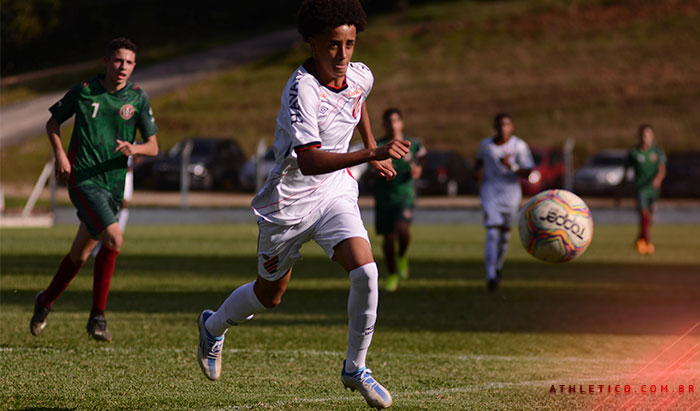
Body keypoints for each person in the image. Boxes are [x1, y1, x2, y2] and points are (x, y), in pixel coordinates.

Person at [196, 1, 409, 409]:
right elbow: (309, 161)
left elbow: (359, 99)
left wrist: (369, 144)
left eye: (349, 44)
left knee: (366, 272)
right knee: (269, 296)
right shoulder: (301, 91)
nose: (343, 55)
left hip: (335, 193)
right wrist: (371, 152)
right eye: (333, 45)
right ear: (312, 43)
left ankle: (355, 368)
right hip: (288, 204)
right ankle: (214, 325)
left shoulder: (360, 74)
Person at [30, 38, 159, 342]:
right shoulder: (85, 90)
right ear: (106, 61)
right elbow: (52, 123)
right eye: (118, 60)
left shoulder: (137, 98)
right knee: (114, 237)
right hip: (83, 178)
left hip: (113, 184)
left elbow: (153, 146)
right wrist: (60, 156)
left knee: (80, 254)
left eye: (128, 62)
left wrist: (135, 148)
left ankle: (44, 301)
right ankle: (97, 317)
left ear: (134, 66)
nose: (122, 67)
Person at [474, 113, 533, 292]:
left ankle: (498, 267)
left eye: (506, 125)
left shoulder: (519, 146)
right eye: (499, 125)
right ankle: (490, 274)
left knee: (505, 236)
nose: (503, 128)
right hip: (490, 193)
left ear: (512, 127)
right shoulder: (486, 145)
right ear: (494, 127)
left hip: (511, 195)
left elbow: (529, 172)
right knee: (492, 233)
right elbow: (478, 164)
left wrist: (511, 166)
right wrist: (476, 176)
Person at [373, 108, 427, 292]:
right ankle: (392, 274)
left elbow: (422, 158)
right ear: (384, 124)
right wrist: (379, 171)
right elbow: (371, 167)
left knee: (403, 231)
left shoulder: (412, 144)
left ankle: (402, 255)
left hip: (405, 194)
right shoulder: (379, 145)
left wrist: (418, 170)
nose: (392, 124)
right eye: (389, 121)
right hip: (384, 196)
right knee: (388, 238)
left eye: (396, 120)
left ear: (401, 123)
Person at [622, 124, 666, 255]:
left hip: (653, 189)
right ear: (640, 136)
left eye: (648, 135)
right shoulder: (634, 152)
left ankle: (639, 239)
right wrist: (621, 187)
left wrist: (657, 180)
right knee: (644, 214)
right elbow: (626, 170)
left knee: (649, 218)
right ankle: (648, 242)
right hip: (640, 189)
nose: (646, 138)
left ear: (652, 136)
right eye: (643, 135)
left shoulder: (657, 152)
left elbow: (662, 170)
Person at [91, 156, 134, 258]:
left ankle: (115, 238)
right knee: (108, 205)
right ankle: (98, 244)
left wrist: (136, 154)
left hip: (125, 172)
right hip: (110, 171)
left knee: (123, 205)